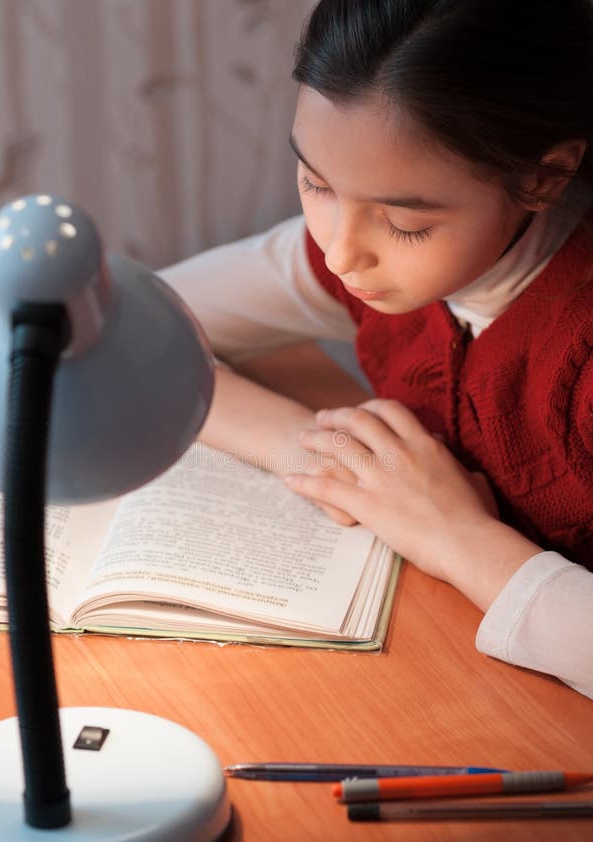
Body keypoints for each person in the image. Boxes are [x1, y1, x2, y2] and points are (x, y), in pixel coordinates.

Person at [160, 0, 593, 698]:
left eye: (402, 223)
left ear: (544, 177)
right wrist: (312, 450)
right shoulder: (363, 254)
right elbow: (116, 326)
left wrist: (452, 534)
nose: (339, 253)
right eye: (315, 183)